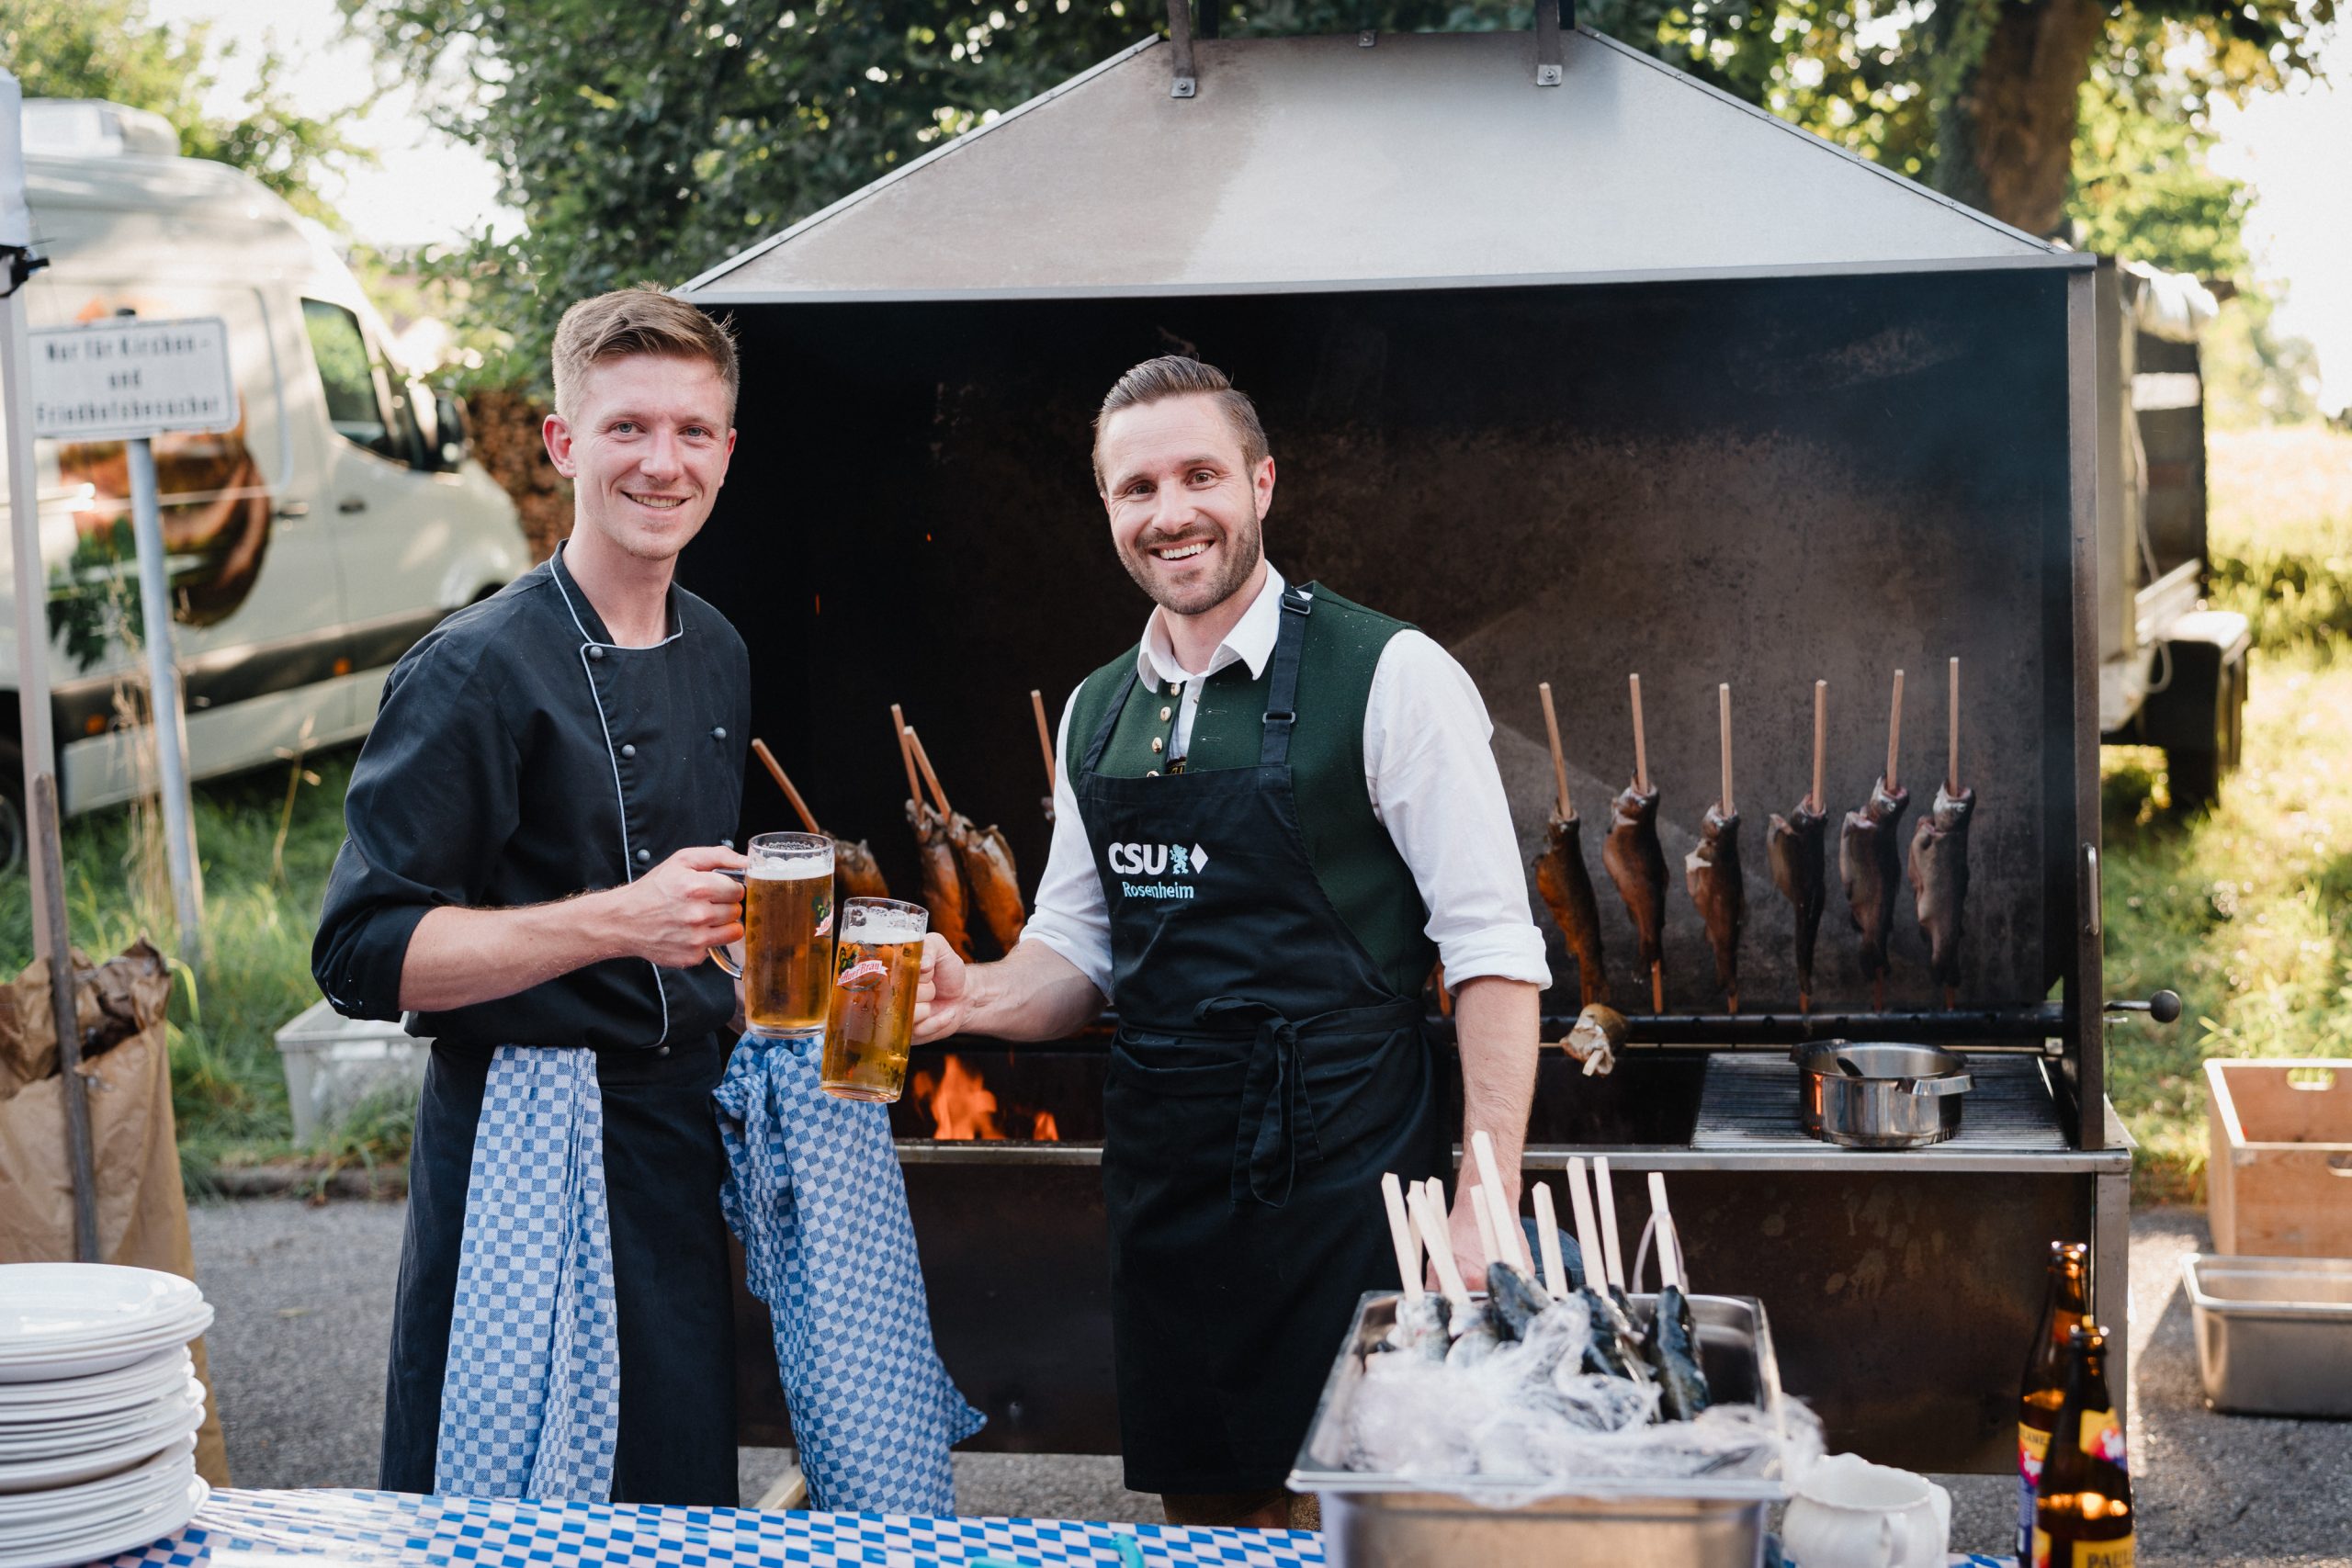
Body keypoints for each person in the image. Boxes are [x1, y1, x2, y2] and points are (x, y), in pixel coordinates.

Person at [914, 355, 1548, 1528]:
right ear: (1108, 509)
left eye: (1198, 475)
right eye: (1136, 487)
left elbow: (1494, 953)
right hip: (1172, 1194)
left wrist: (1485, 1197)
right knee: (1207, 1527)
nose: (1170, 512)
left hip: (1353, 1180)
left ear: (1261, 484)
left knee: (1363, 1523)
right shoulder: (1098, 707)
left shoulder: (1390, 675)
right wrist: (971, 997)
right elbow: (1075, 950)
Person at [312, 287, 750, 1505]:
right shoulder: (472, 669)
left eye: (692, 430)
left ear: (726, 450)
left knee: (673, 1499)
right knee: (509, 1515)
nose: (662, 462)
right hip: (525, 1144)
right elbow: (360, 951)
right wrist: (618, 919)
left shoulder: (719, 647)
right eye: (626, 428)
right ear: (563, 443)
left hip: (676, 1143)